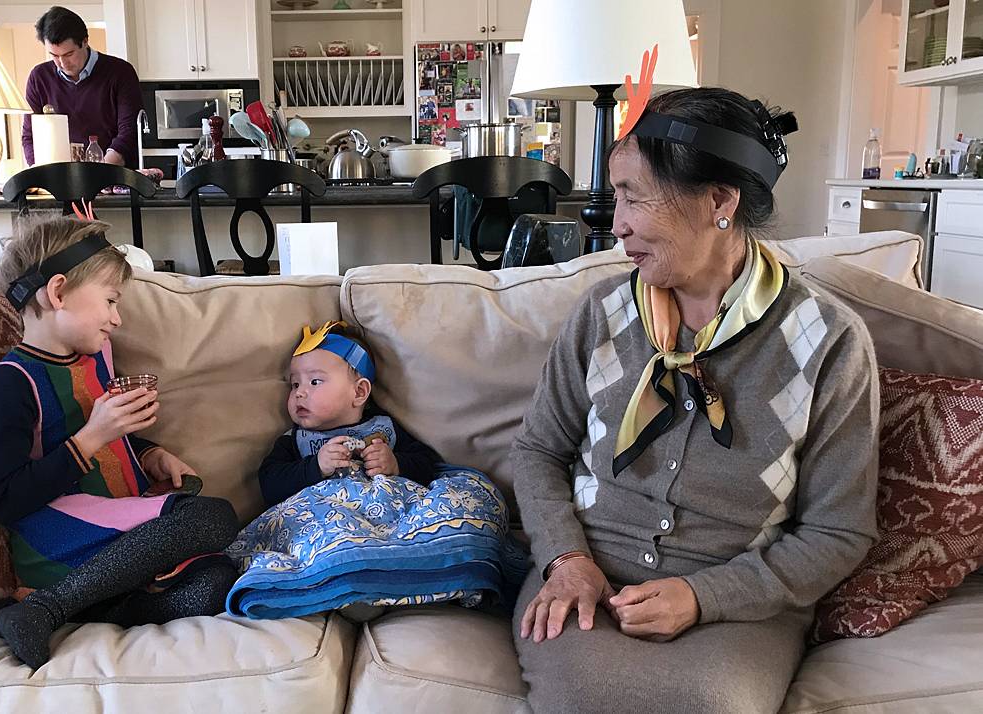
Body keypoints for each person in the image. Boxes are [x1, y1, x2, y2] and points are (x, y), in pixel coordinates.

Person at [510, 87, 879, 713]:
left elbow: (837, 530)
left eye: (634, 194)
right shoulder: (602, 315)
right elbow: (538, 449)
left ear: (719, 201)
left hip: (740, 609)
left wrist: (705, 597)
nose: (617, 222)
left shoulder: (829, 341)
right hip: (588, 583)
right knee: (584, 696)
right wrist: (566, 561)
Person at [0, 215, 239, 670]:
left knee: (219, 579)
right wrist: (93, 436)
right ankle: (44, 607)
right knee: (215, 516)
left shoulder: (95, 360)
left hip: (111, 545)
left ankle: (94, 604)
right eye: (111, 301)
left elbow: (114, 443)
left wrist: (149, 453)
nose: (117, 318)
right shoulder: (11, 383)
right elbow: (4, 499)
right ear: (57, 293)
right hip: (56, 537)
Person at [257, 321, 442, 507]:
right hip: (326, 520)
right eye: (295, 384)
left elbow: (428, 466)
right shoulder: (294, 440)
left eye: (314, 381)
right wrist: (316, 467)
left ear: (359, 392)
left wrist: (396, 464)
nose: (299, 393)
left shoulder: (385, 428)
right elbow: (269, 486)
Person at [20, 6, 143, 167]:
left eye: (69, 54)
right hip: (59, 179)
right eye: (54, 55)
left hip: (113, 176)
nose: (62, 63)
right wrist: (38, 174)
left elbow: (129, 132)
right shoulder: (39, 78)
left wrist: (99, 174)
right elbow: (30, 136)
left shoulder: (120, 72)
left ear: (85, 41)